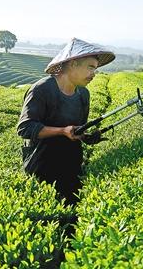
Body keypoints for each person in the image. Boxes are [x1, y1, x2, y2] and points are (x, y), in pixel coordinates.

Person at [17, 38, 115, 205]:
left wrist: (86, 136)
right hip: (42, 165)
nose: (93, 74)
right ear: (73, 64)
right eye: (90, 67)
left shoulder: (83, 94)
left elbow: (77, 130)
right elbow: (25, 128)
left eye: (95, 69)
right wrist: (62, 131)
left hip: (71, 165)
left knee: (72, 212)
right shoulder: (42, 89)